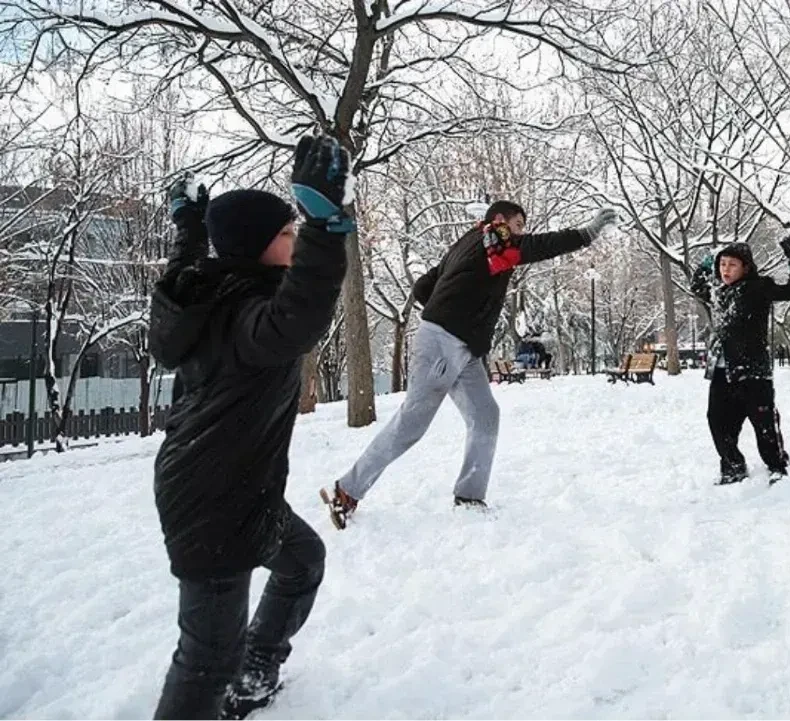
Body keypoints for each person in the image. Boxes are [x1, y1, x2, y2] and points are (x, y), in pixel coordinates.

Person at [149, 135, 353, 719]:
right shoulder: (249, 318)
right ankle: (234, 676)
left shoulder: (209, 290)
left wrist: (189, 221)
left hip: (233, 488)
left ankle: (256, 669)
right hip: (212, 501)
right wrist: (323, 223)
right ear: (259, 249)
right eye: (286, 235)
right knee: (207, 654)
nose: (293, 239)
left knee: (302, 560)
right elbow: (300, 314)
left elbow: (186, 262)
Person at [323, 202, 618, 526]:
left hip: (462, 347)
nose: (521, 233)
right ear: (500, 220)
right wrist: (587, 233)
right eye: (519, 224)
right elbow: (538, 246)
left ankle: (469, 496)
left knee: (484, 415)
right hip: (444, 342)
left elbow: (424, 286)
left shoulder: (470, 242)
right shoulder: (496, 238)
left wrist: (455, 304)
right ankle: (347, 490)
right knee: (412, 424)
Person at [689, 236, 790, 485]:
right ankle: (733, 467)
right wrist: (708, 260)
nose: (726, 270)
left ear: (745, 267)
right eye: (722, 265)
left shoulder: (758, 287)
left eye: (732, 265)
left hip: (753, 370)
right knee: (718, 421)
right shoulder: (718, 293)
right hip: (723, 369)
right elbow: (697, 285)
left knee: (763, 423)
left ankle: (776, 465)